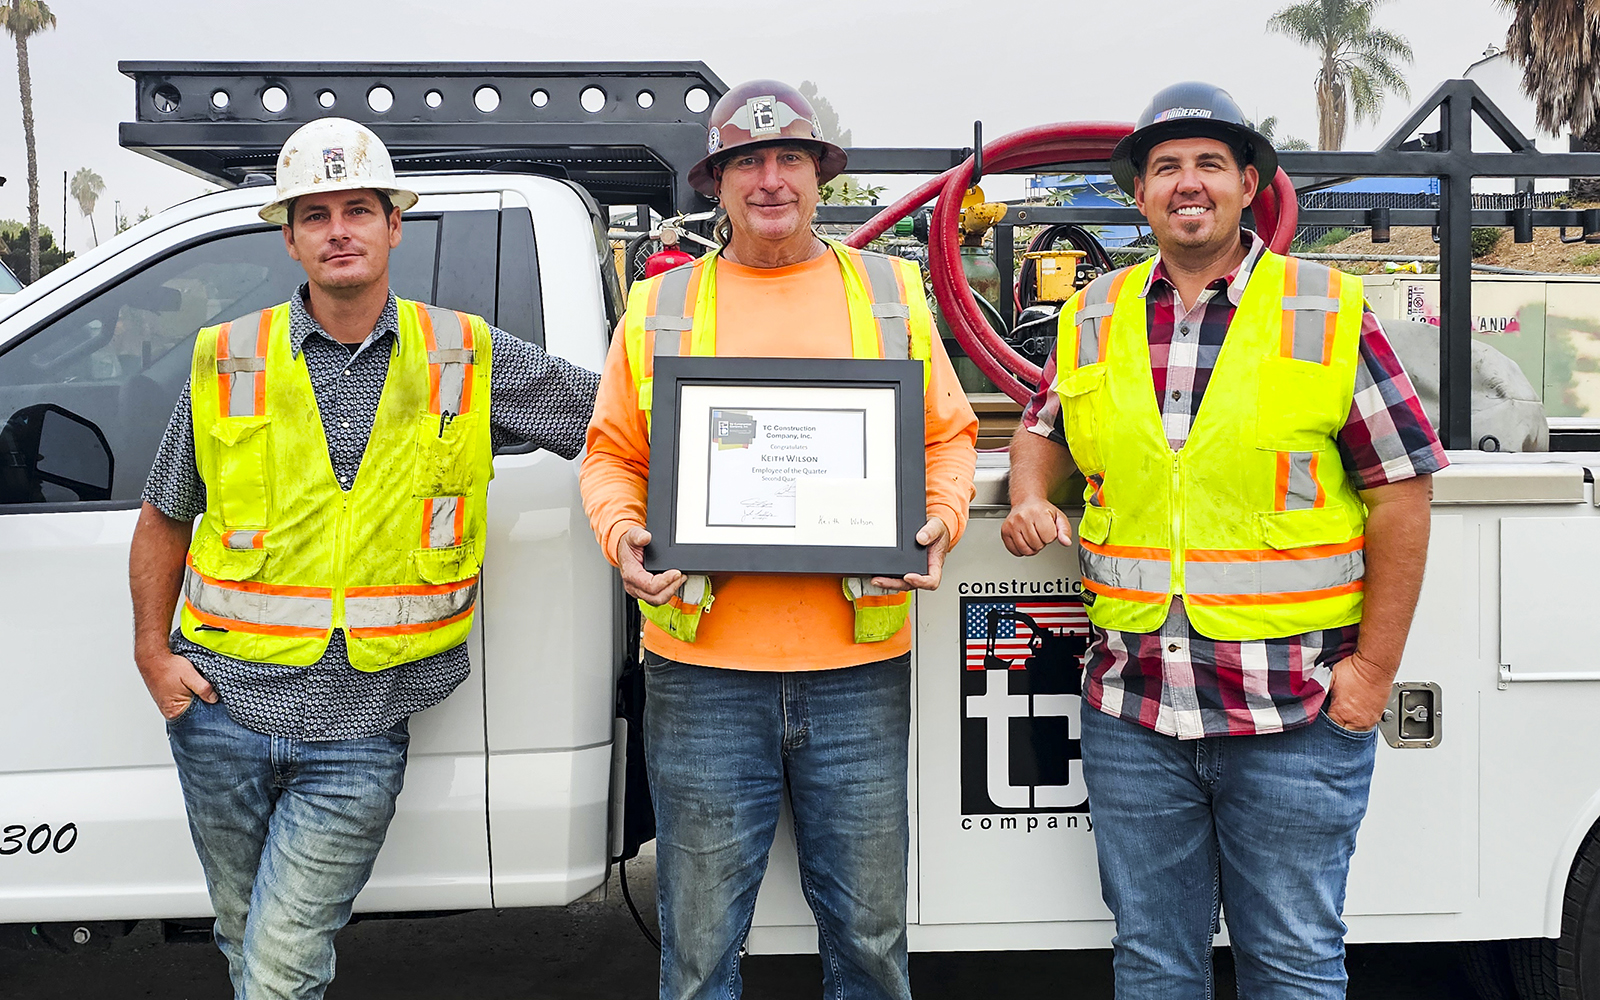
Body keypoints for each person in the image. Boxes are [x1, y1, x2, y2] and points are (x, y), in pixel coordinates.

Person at [128, 117, 598, 1000]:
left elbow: (612, 424)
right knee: (246, 941)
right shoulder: (227, 357)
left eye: (358, 210)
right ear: (291, 236)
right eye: (316, 214)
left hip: (360, 728)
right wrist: (154, 655)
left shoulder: (465, 354)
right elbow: (163, 516)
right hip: (221, 713)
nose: (338, 229)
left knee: (279, 967)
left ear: (394, 225)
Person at [1001, 81, 1447, 998]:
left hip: (1293, 713)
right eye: (1165, 167)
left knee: (1291, 963)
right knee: (1153, 964)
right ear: (1140, 196)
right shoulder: (1095, 314)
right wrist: (1028, 494)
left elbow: (1400, 489)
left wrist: (1371, 674)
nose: (1187, 183)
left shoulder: (1323, 308)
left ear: (1250, 184)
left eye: (1209, 163)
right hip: (1135, 713)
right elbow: (1043, 426)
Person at [581, 80, 978, 1000]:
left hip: (857, 671)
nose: (769, 180)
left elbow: (948, 438)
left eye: (788, 158)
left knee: (873, 943)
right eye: (746, 162)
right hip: (703, 676)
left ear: (819, 176)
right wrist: (624, 530)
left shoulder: (888, 293)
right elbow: (610, 456)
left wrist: (942, 516)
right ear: (716, 184)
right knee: (700, 952)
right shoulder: (660, 306)